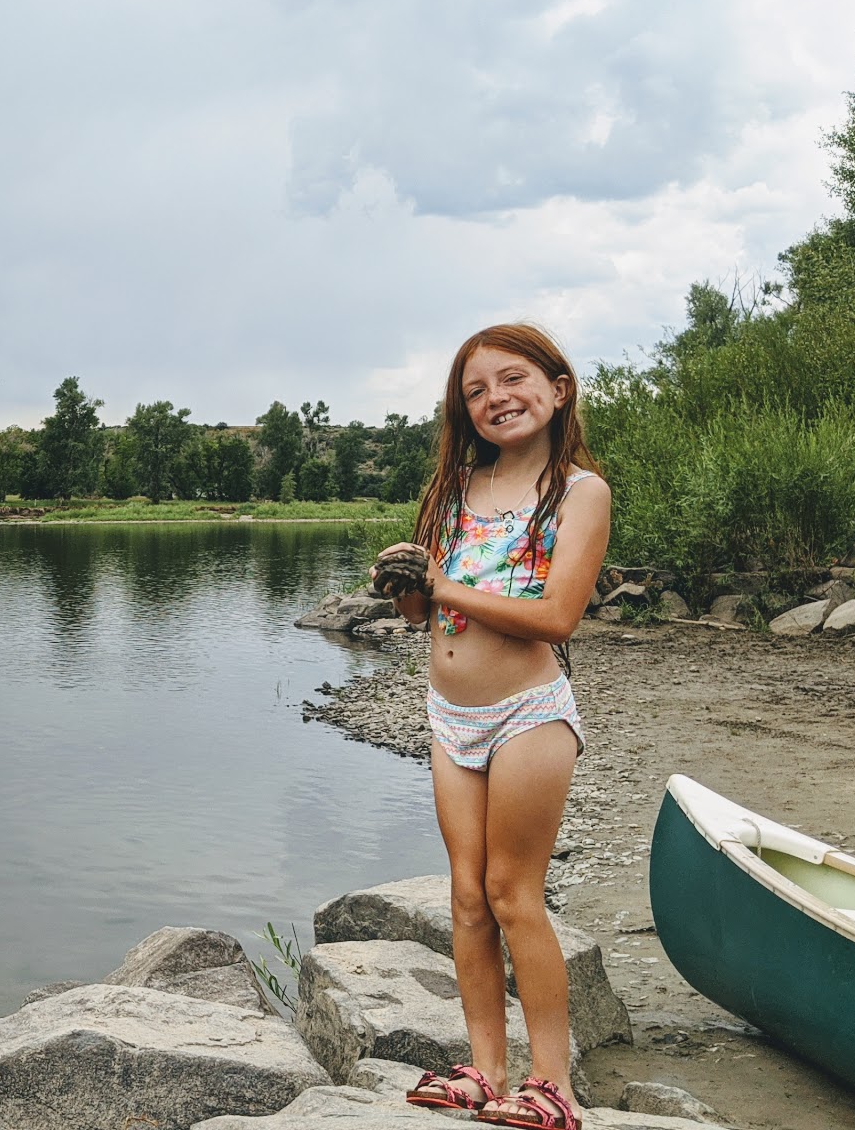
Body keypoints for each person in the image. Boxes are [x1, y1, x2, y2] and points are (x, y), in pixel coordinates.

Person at [370, 324, 610, 1130]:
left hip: (528, 714)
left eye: (513, 379)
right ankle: (484, 1069)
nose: (496, 398)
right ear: (462, 411)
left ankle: (554, 1086)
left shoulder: (579, 493)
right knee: (467, 899)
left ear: (558, 388)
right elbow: (421, 614)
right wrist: (407, 584)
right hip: (450, 717)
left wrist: (443, 588)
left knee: (514, 894)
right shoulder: (452, 491)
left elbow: (557, 617)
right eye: (476, 391)